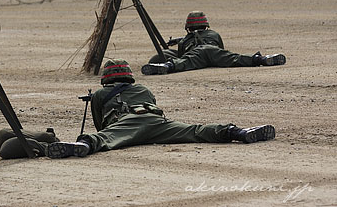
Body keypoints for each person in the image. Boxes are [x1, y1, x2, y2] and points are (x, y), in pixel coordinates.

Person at [45, 59, 275, 158]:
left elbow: (102, 124)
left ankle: (82, 146)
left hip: (126, 124)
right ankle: (236, 132)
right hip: (157, 122)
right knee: (194, 131)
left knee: (100, 138)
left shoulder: (101, 94)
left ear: (106, 79)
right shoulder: (144, 89)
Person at [141, 11, 286, 75]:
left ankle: (167, 66)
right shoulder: (214, 34)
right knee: (234, 58)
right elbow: (221, 49)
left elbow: (183, 53)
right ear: (206, 25)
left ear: (188, 27)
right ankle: (261, 59)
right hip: (213, 53)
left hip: (196, 55)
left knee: (184, 61)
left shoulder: (185, 40)